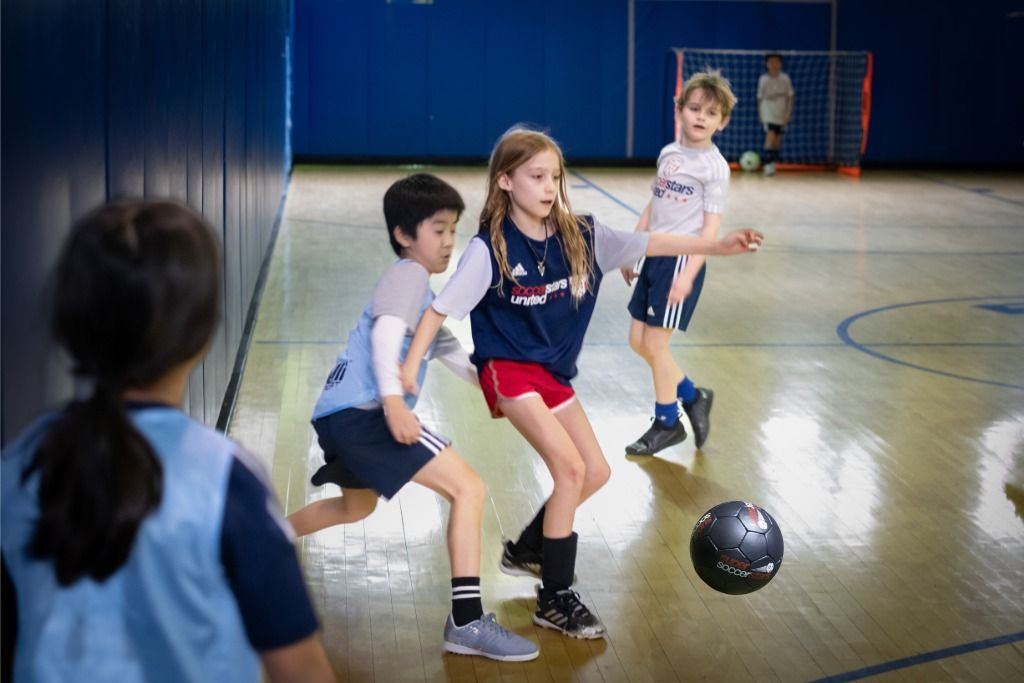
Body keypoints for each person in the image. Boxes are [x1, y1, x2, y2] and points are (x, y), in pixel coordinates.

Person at [400, 127, 762, 640]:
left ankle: (529, 548)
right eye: (536, 176)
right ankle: (555, 596)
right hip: (507, 368)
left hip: (551, 374)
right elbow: (437, 312)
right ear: (505, 181)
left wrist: (719, 247)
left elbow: (655, 240)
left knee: (595, 472)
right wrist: (409, 367)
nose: (548, 187)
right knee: (568, 468)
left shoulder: (584, 235)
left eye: (554, 177)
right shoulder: (491, 249)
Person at [0, 200, 333, 682]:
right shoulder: (224, 480)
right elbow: (301, 670)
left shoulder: (17, 465)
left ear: (72, 323)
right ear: (201, 331)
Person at [285, 173, 538, 662]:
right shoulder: (408, 276)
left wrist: (507, 394)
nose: (448, 241)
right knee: (469, 488)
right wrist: (395, 404)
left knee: (355, 507)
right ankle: (466, 622)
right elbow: (385, 337)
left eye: (452, 230)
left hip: (339, 414)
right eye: (438, 230)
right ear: (404, 235)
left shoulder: (422, 295)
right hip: (366, 413)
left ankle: (262, 538)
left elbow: (455, 357)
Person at [621, 69, 737, 457]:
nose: (701, 117)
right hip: (654, 253)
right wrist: (633, 248)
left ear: (723, 121)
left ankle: (667, 422)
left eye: (711, 112)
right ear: (680, 110)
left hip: (682, 260)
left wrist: (688, 275)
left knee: (655, 343)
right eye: (694, 108)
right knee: (637, 342)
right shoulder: (669, 154)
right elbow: (655, 203)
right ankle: (693, 394)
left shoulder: (714, 168)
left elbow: (711, 229)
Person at [757, 52, 794, 176]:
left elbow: (790, 97)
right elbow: (760, 98)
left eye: (776, 62)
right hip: (768, 113)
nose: (773, 64)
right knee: (770, 137)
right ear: (767, 64)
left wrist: (788, 112)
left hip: (781, 114)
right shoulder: (763, 79)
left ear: (780, 64)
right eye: (771, 62)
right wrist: (760, 114)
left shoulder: (785, 79)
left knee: (777, 141)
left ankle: (772, 163)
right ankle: (767, 165)